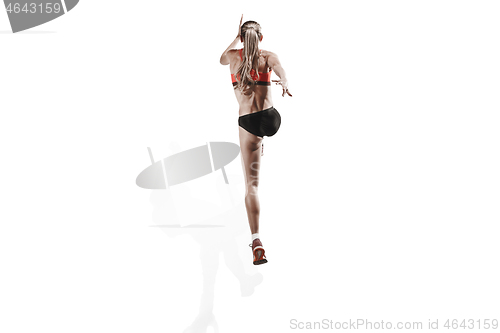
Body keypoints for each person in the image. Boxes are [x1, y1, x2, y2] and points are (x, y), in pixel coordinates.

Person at [220, 15, 292, 265]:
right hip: (271, 118)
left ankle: (257, 240)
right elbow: (280, 69)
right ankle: (262, 141)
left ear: (241, 38)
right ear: (261, 38)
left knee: (252, 187)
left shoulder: (232, 58)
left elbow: (221, 57)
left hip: (248, 124)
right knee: (262, 134)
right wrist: (283, 80)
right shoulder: (268, 55)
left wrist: (236, 38)